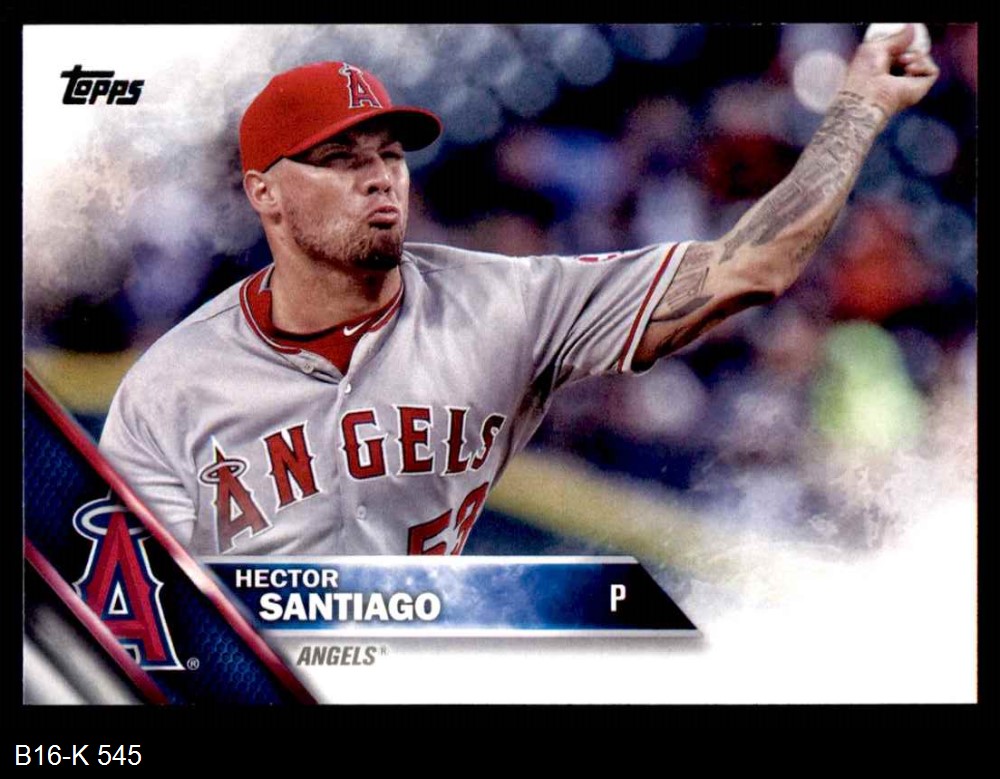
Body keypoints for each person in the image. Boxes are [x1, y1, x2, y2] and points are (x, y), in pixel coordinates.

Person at [99, 29, 939, 557]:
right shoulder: (172, 383)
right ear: (265, 194)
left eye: (389, 154)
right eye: (339, 159)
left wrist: (859, 107)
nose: (380, 178)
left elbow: (748, 267)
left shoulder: (506, 303)